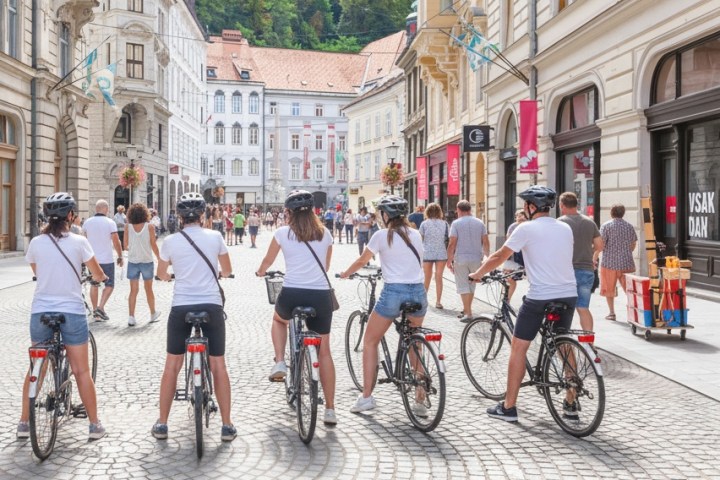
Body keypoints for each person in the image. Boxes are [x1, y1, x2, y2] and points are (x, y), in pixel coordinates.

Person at [469, 186, 577, 423]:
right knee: (563, 343)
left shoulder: (525, 228)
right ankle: (572, 399)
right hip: (569, 294)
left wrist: (477, 274)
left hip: (541, 296)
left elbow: (499, 256)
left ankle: (509, 407)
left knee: (519, 347)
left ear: (530, 207)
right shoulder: (565, 227)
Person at [18, 192, 108, 440]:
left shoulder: (36, 242)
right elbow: (96, 273)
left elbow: (36, 270)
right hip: (71, 310)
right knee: (81, 371)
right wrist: (100, 279)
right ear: (71, 216)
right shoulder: (79, 242)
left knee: (37, 366)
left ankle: (24, 423)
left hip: (41, 311)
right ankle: (94, 425)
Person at [153, 192, 236, 442]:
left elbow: (161, 274)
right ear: (203, 216)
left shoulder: (170, 241)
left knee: (172, 365)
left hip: (181, 307)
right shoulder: (216, 236)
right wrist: (219, 273)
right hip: (211, 306)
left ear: (180, 217)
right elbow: (228, 270)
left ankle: (162, 424)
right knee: (218, 365)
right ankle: (227, 425)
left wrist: (170, 277)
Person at [339, 195, 428, 415]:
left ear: (386, 215)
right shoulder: (416, 234)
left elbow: (362, 260)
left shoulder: (381, 235)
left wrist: (345, 274)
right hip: (418, 291)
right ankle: (420, 400)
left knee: (370, 341)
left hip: (394, 292)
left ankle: (367, 397)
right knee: (414, 341)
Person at [256, 190, 337, 425]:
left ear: (288, 213)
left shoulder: (282, 233)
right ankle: (330, 409)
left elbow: (267, 262)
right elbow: (327, 265)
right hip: (321, 295)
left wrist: (261, 272)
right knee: (325, 351)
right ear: (313, 211)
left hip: (292, 293)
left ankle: (280, 360)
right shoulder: (325, 233)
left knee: (279, 320)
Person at [558, 192, 604, 332]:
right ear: (576, 204)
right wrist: (590, 253)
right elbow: (600, 246)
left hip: (565, 272)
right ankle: (589, 343)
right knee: (583, 307)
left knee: (564, 309)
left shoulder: (560, 222)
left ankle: (563, 338)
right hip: (586, 270)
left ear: (562, 205)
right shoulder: (589, 222)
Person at [446, 200, 490, 322]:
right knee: (471, 285)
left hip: (461, 258)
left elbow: (452, 243)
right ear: (470, 209)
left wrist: (449, 260)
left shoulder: (456, 223)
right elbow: (485, 242)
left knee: (463, 285)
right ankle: (467, 310)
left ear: (458, 210)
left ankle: (468, 313)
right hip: (476, 258)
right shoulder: (480, 223)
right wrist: (486, 257)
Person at [83, 199, 124, 321]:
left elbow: (83, 240)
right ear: (106, 209)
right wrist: (120, 255)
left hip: (91, 259)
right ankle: (100, 308)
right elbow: (116, 241)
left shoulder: (87, 223)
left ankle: (96, 313)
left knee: (94, 285)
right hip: (106, 259)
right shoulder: (110, 222)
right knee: (109, 284)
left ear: (96, 209)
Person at [124, 203, 162, 327]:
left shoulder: (127, 227)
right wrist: (160, 259)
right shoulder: (149, 226)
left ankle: (131, 317)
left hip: (133, 261)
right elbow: (153, 245)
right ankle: (152, 313)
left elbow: (125, 245)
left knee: (133, 290)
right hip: (147, 261)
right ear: (145, 213)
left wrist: (133, 248)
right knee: (148, 289)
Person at [598, 203, 637, 321]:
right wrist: (626, 252)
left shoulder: (606, 226)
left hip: (609, 263)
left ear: (611, 212)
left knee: (609, 288)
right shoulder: (629, 226)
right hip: (626, 263)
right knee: (630, 290)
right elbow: (633, 243)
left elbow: (602, 244)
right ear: (623, 213)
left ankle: (612, 313)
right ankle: (633, 312)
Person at [418, 203, 449, 309]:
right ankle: (438, 302)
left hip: (427, 252)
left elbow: (420, 239)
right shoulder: (445, 224)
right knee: (439, 277)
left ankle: (423, 299)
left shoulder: (424, 224)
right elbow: (447, 239)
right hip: (441, 252)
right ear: (439, 212)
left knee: (427, 277)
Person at [503, 209, 527, 302]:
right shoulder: (513, 226)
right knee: (508, 279)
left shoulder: (528, 226)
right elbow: (508, 240)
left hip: (525, 257)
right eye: (518, 215)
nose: (520, 217)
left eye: (522, 215)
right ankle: (507, 299)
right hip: (512, 257)